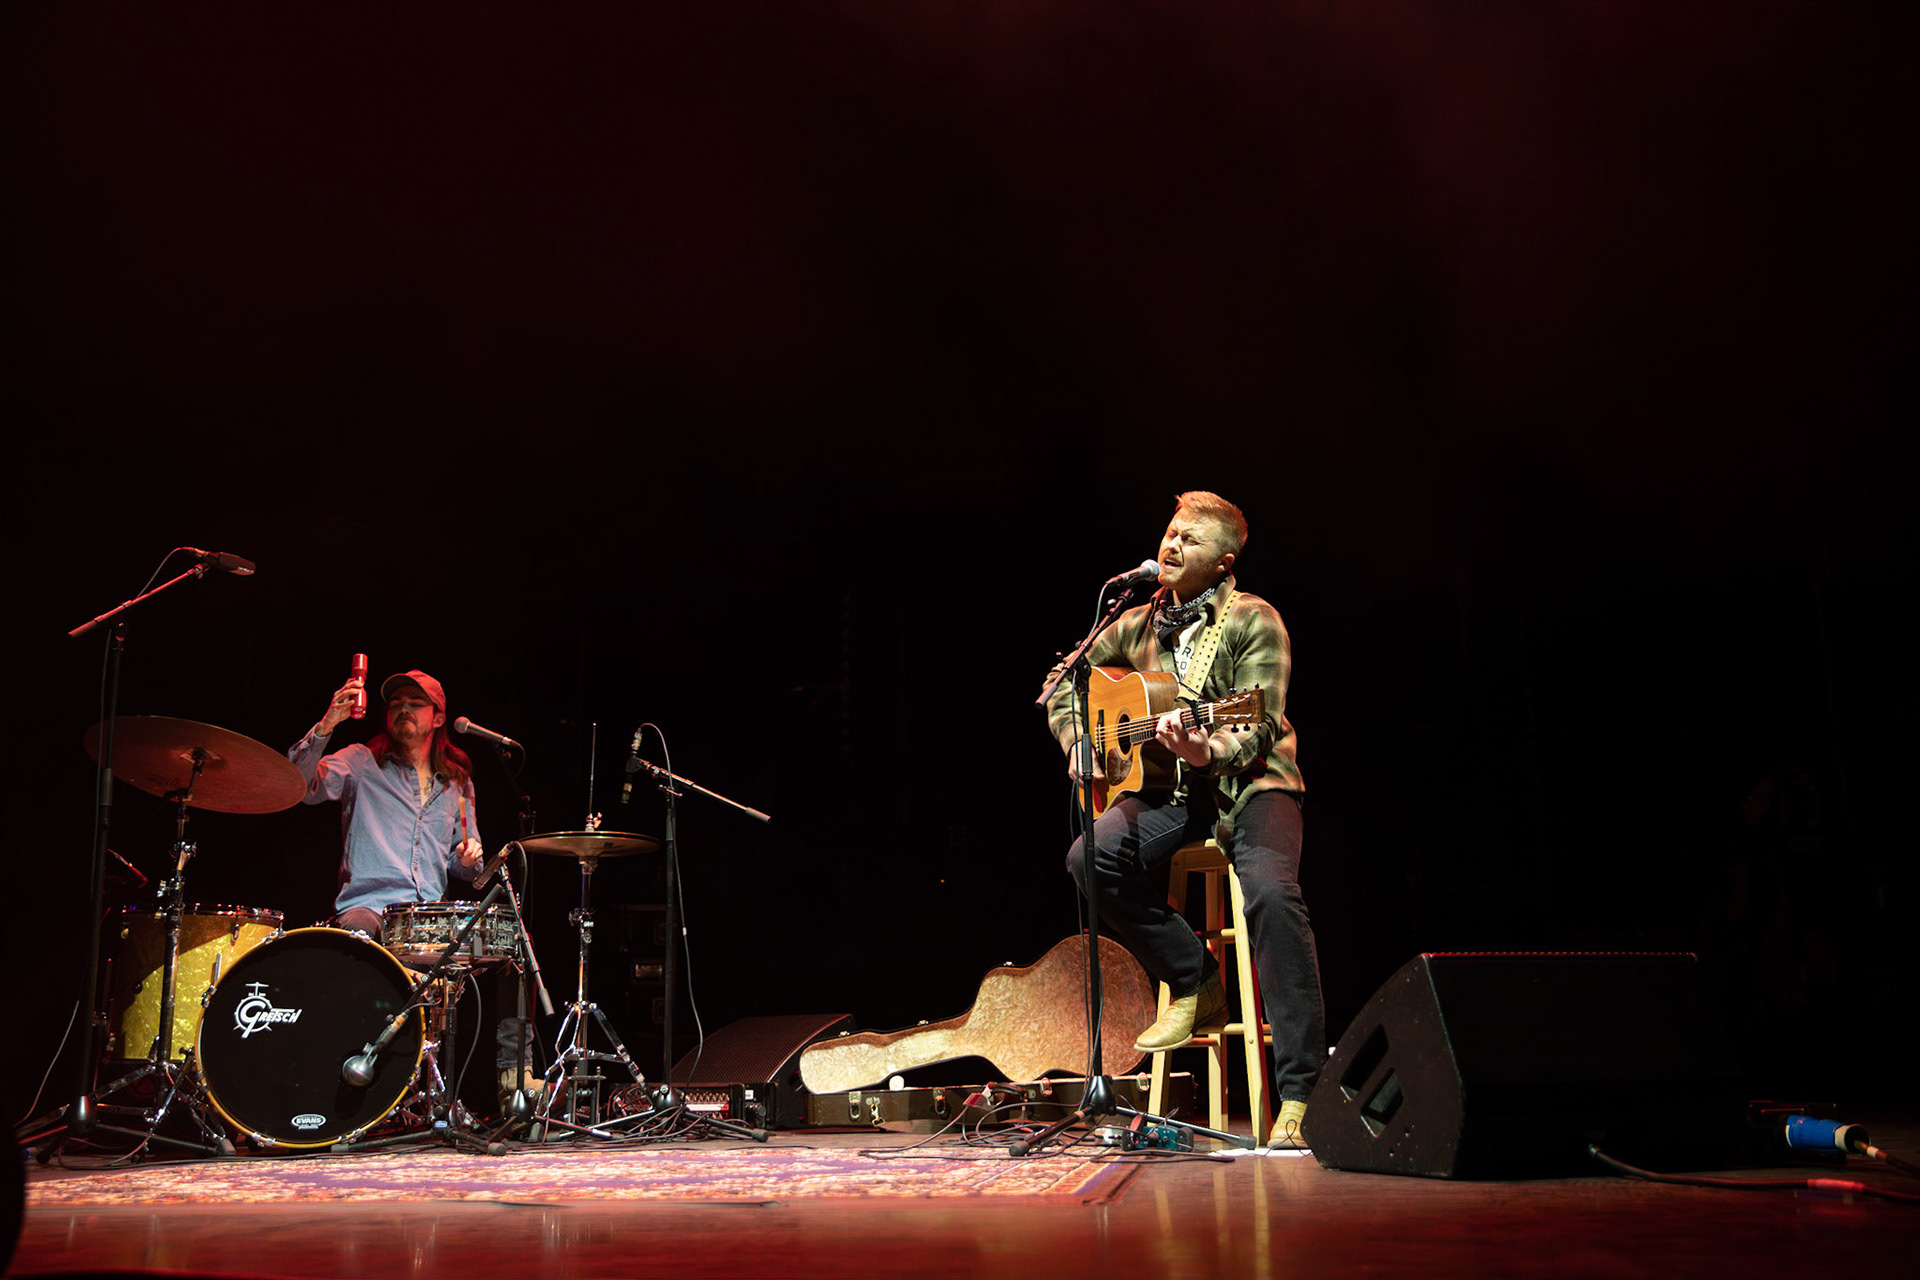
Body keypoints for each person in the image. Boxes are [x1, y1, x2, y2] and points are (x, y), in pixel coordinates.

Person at [1044, 491, 1324, 1149]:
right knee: (1090, 858)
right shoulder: (1133, 624)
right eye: (1171, 532)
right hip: (1169, 788)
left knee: (1270, 895)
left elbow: (1257, 719)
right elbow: (1064, 683)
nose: (1172, 546)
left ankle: (1303, 1092)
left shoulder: (1255, 621)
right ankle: (1197, 980)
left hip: (1252, 785)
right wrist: (1079, 741)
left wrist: (1207, 747)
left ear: (1224, 562)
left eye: (1190, 540)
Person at [289, 668, 537, 1116]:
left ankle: (515, 1089)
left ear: (438, 718)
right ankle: (347, 1082)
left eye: (415, 703)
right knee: (358, 935)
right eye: (396, 702)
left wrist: (467, 858)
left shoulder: (459, 782)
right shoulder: (361, 761)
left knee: (516, 950)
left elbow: (469, 866)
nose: (402, 708)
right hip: (372, 909)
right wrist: (327, 724)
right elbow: (300, 787)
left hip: (431, 919)